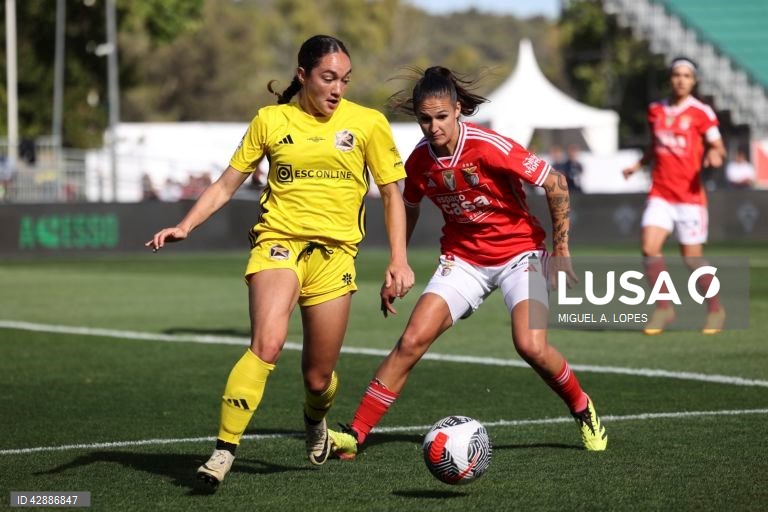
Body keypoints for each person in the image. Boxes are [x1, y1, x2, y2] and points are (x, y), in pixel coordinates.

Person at [145, 34, 414, 489]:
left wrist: (399, 260)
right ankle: (223, 451)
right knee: (267, 343)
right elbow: (226, 184)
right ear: (302, 75)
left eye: (345, 80)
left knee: (318, 379)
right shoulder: (270, 120)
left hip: (335, 258)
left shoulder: (368, 123)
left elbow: (391, 194)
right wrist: (186, 225)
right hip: (278, 244)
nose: (337, 89)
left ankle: (315, 419)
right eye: (328, 78)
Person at [327, 66, 608, 460]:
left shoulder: (489, 146)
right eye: (425, 119)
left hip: (521, 254)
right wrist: (398, 262)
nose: (433, 127)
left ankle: (582, 408)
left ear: (458, 109)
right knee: (411, 341)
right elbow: (408, 207)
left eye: (441, 116)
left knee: (530, 344)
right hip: (463, 261)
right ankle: (356, 434)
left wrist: (561, 250)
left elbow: (555, 182)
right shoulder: (419, 160)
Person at [622, 57, 727, 335]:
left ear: (694, 81)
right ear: (669, 78)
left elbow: (718, 146)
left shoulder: (701, 112)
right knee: (649, 248)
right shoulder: (656, 110)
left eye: (686, 75)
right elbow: (655, 146)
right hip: (660, 192)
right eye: (677, 74)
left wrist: (714, 155)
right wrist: (638, 165)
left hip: (689, 197)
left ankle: (715, 309)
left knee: (692, 259)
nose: (681, 80)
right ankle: (664, 307)